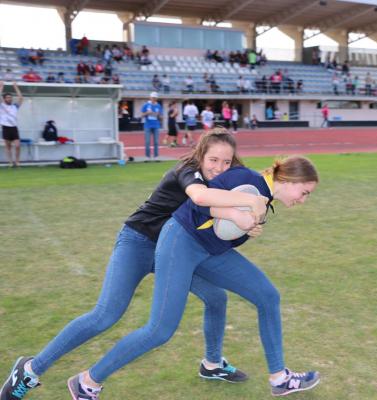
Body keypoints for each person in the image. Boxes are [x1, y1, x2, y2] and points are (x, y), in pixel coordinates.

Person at [1, 132, 270, 400]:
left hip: (175, 251)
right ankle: (30, 370)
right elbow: (200, 198)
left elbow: (226, 210)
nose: (219, 168)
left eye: (226, 162)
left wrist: (248, 222)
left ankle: (212, 364)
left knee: (216, 297)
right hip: (139, 242)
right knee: (105, 314)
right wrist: (247, 204)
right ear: (200, 154)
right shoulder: (187, 171)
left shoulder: (223, 180)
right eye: (213, 159)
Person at [62, 156, 320, 399]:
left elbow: (221, 233)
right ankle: (87, 381)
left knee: (266, 295)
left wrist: (245, 228)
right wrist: (234, 215)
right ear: (288, 180)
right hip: (180, 243)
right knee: (159, 330)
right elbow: (199, 202)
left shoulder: (263, 200)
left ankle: (276, 377)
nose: (304, 200)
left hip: (207, 251)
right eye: (304, 193)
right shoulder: (247, 179)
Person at [0, 82, 24, 167]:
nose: (9, 99)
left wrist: (15, 87)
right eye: (7, 98)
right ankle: (10, 162)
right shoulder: (2, 106)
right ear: (4, 99)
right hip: (6, 127)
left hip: (14, 128)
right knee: (8, 146)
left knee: (17, 145)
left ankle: (17, 162)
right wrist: (1, 86)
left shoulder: (15, 106)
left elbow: (21, 98)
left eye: (10, 97)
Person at [141, 92, 162, 161]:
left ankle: (156, 156)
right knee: (147, 141)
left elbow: (161, 117)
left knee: (156, 141)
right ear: (150, 97)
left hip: (156, 125)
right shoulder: (146, 105)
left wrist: (159, 115)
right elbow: (141, 115)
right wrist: (147, 113)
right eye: (153, 97)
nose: (154, 99)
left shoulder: (158, 106)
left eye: (155, 98)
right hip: (147, 125)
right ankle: (148, 156)